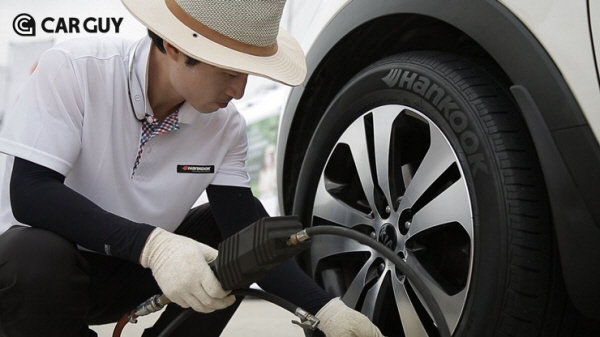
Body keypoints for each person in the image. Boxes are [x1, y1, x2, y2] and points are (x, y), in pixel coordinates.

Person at [0, 0, 385, 337]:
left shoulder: (226, 127)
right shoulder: (76, 71)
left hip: (133, 273)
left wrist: (326, 310)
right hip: (40, 281)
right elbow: (31, 193)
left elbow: (243, 230)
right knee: (31, 253)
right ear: (174, 46)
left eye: (247, 74)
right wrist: (154, 246)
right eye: (230, 72)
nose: (240, 91)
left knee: (235, 245)